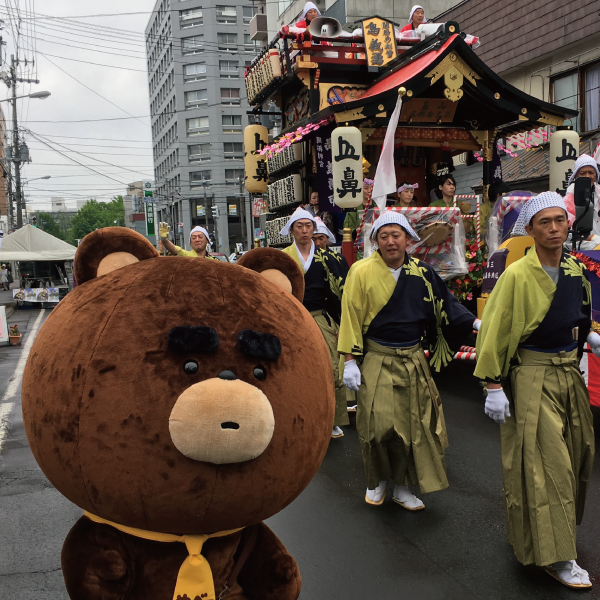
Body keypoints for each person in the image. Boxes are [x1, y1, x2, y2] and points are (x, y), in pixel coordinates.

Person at [475, 192, 598, 589]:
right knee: (549, 467)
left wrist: (590, 338)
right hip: (533, 374)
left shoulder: (576, 272)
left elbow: (579, 314)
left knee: (578, 456)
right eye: (544, 222)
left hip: (568, 375)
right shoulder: (516, 275)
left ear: (568, 224)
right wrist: (493, 384)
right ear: (529, 230)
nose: (554, 228)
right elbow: (494, 330)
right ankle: (559, 556)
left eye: (559, 221)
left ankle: (542, 536)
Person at [338, 211, 478, 508]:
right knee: (377, 427)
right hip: (378, 356)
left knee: (413, 428)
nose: (391, 242)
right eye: (384, 236)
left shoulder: (422, 272)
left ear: (408, 239)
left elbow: (445, 305)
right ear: (375, 241)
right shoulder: (361, 271)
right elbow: (350, 316)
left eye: (396, 235)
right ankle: (377, 481)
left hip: (413, 358)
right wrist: (350, 360)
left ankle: (403, 486)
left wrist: (474, 323)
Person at [281, 207, 349, 439]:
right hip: (293, 318)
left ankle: (333, 419)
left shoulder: (328, 258)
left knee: (331, 367)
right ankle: (298, 415)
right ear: (292, 230)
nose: (304, 230)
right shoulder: (284, 257)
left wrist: (342, 323)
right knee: (296, 368)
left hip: (321, 317)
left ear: (314, 229)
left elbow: (341, 290)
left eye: (308, 226)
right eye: (299, 226)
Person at [563, 154, 600, 249]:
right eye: (583, 173)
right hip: (577, 245)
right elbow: (566, 231)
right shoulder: (569, 198)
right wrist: (593, 238)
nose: (588, 176)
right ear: (576, 176)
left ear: (596, 175)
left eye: (591, 172)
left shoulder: (598, 193)